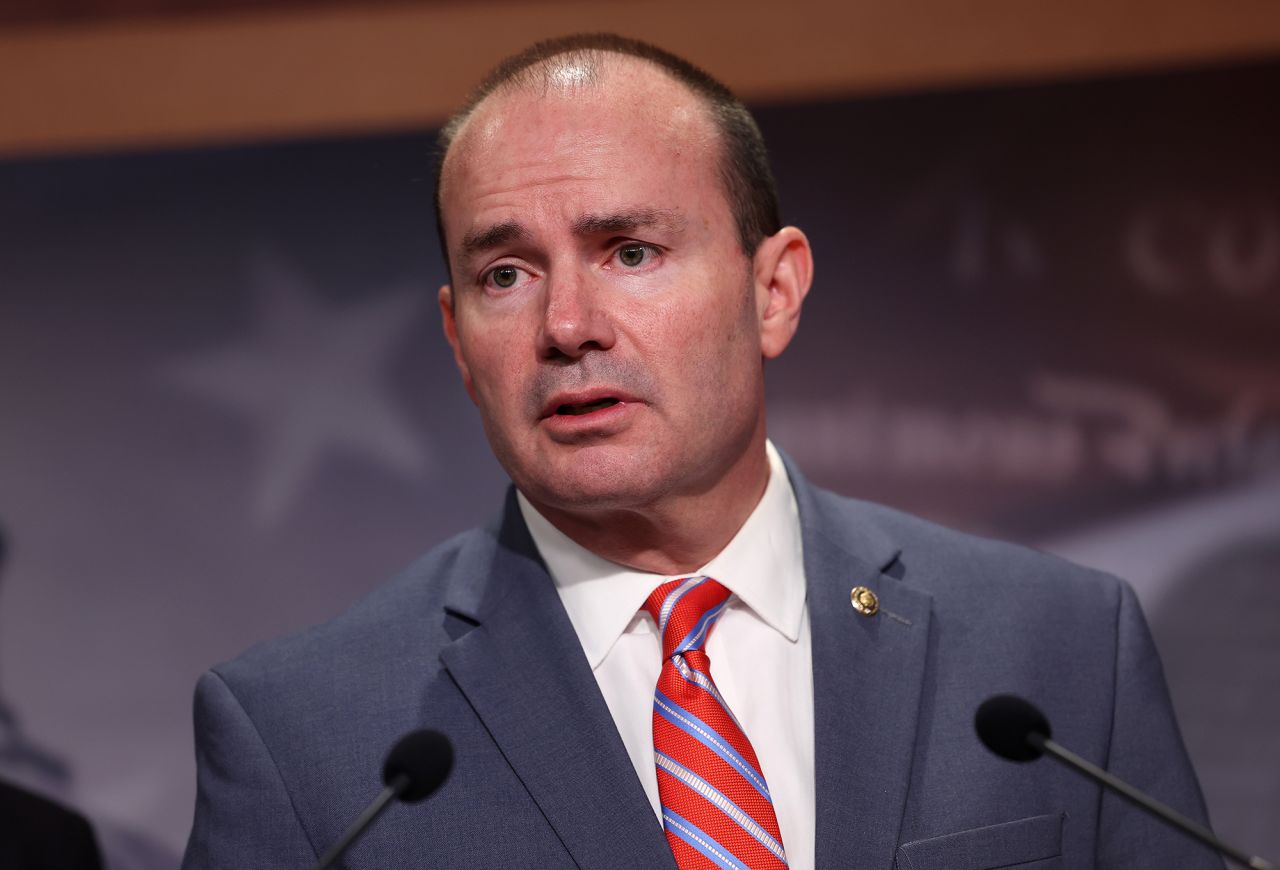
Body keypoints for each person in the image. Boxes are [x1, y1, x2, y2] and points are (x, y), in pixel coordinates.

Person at [183, 34, 1222, 869]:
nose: (567, 325)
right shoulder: (310, 741)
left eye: (629, 252)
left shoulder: (1055, 651)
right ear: (458, 341)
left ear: (772, 291)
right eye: (506, 274)